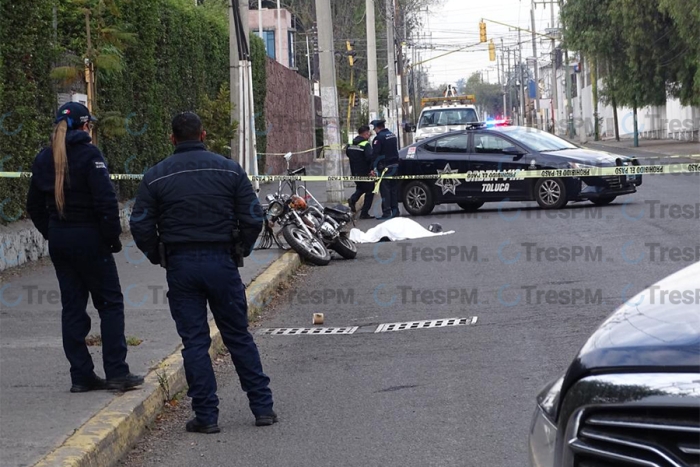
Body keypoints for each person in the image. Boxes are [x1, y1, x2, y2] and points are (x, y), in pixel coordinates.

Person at [129, 112, 276, 434]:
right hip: (222, 261)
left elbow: (139, 223)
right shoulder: (229, 169)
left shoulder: (156, 176)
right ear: (203, 134)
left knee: (194, 342)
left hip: (181, 265)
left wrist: (158, 254)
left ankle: (206, 416)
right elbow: (253, 217)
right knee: (238, 336)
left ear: (172, 139)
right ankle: (263, 408)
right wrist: (242, 249)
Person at [26, 102, 144, 393]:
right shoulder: (91, 155)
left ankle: (81, 375)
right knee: (110, 304)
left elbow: (33, 206)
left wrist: (52, 232)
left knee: (73, 307)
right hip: (90, 239)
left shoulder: (44, 157)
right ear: (85, 126)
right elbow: (105, 201)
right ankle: (117, 371)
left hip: (61, 241)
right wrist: (112, 238)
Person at [369, 119, 400, 219]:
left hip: (385, 168)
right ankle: (395, 210)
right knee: (394, 190)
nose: (374, 130)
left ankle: (387, 212)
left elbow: (375, 154)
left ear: (377, 128)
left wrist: (371, 167)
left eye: (374, 128)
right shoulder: (392, 135)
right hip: (395, 166)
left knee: (385, 190)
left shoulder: (379, 138)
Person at [346, 125, 375, 219]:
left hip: (354, 171)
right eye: (368, 133)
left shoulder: (350, 143)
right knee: (370, 190)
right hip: (364, 172)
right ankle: (364, 213)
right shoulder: (365, 144)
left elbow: (347, 153)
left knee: (361, 187)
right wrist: (371, 169)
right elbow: (369, 158)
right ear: (365, 133)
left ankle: (352, 200)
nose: (369, 135)